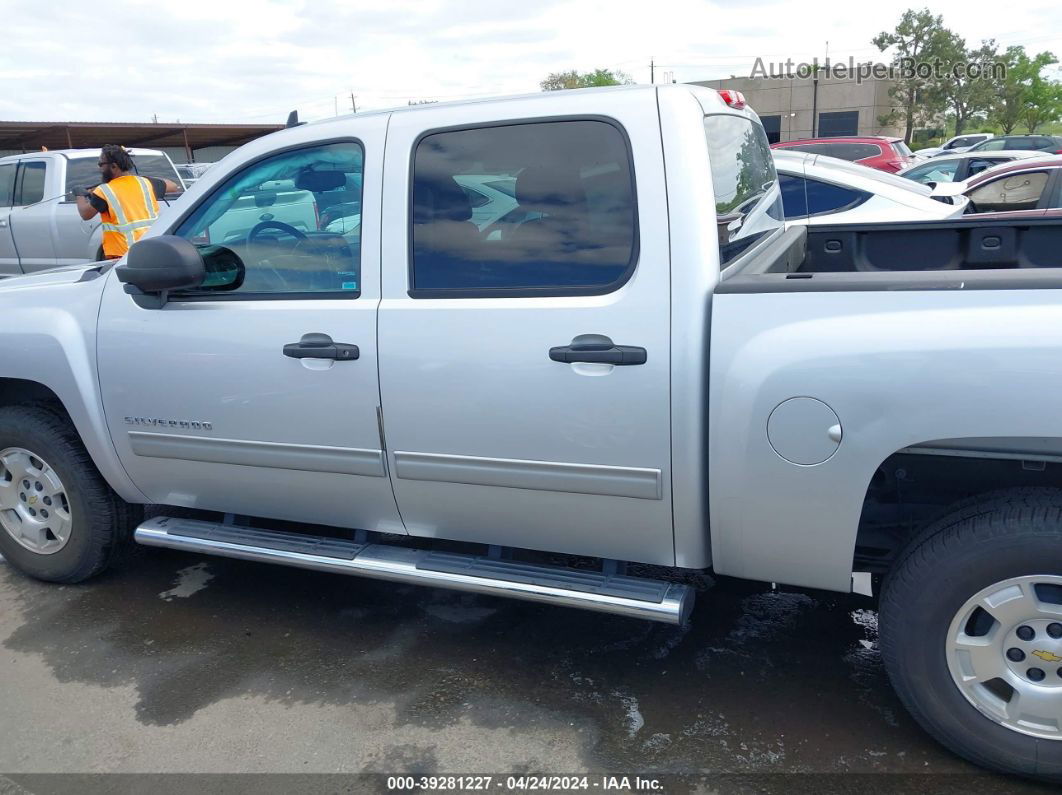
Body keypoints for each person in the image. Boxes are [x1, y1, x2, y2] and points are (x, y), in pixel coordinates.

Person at [75, 144, 182, 259]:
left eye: (101, 164)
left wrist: (79, 194)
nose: (99, 168)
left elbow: (85, 214)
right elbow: (174, 186)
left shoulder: (104, 191)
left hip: (123, 257)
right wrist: (148, 179)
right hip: (152, 249)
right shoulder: (146, 183)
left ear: (114, 166)